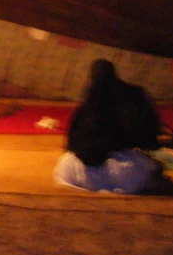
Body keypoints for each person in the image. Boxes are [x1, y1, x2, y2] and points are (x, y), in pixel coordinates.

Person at [53, 59, 162, 194]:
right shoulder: (126, 101)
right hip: (117, 172)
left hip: (77, 171)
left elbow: (71, 143)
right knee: (151, 173)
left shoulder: (87, 106)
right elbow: (143, 138)